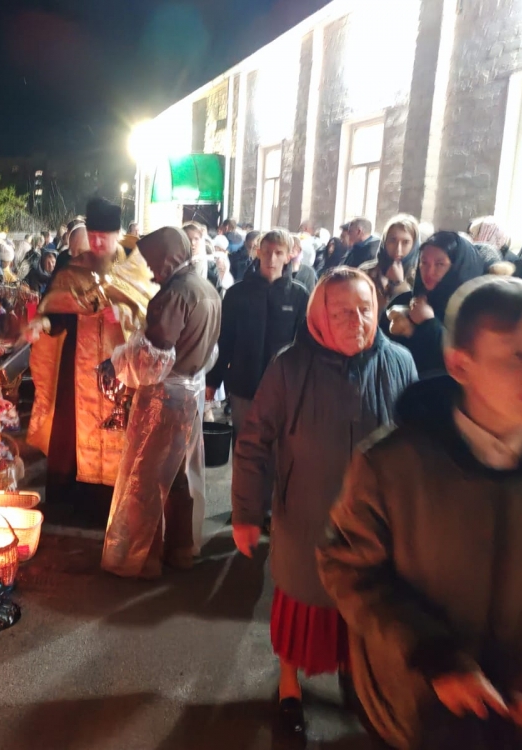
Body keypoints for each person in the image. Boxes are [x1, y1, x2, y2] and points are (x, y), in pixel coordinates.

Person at [319, 276, 522, 750]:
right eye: (517, 357)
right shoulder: (392, 464)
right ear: (460, 363)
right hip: (415, 702)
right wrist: (432, 654)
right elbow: (348, 568)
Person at [233, 268, 416, 735]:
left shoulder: (400, 362)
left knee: (363, 608)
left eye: (365, 309)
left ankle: (356, 678)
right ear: (319, 316)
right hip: (306, 517)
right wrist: (246, 512)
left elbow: (415, 445)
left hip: (375, 523)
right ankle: (289, 684)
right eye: (341, 313)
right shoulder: (289, 367)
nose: (356, 321)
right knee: (303, 606)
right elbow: (253, 442)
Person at [26, 198, 156, 525]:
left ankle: (115, 503)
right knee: (71, 433)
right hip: (78, 367)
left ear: (117, 234)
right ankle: (73, 502)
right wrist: (44, 323)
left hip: (121, 364)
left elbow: (150, 313)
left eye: (104, 237)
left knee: (120, 428)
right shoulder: (72, 269)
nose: (96, 244)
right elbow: (55, 313)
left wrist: (123, 313)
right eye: (93, 236)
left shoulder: (135, 266)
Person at [101, 227, 221, 578]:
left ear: (169, 258)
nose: (151, 270)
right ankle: (181, 548)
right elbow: (210, 351)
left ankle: (142, 558)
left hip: (164, 398)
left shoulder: (174, 295)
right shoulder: (206, 289)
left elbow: (150, 359)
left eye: (153, 262)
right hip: (191, 392)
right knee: (179, 476)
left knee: (146, 478)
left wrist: (114, 362)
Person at [206, 229, 311, 431]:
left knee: (279, 443)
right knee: (243, 440)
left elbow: (304, 346)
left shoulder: (299, 296)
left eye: (278, 253)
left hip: (283, 388)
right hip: (243, 384)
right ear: (258, 252)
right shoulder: (237, 294)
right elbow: (224, 340)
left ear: (288, 256)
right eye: (267, 252)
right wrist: (213, 380)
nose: (272, 258)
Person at [387, 231, 486, 376]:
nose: (429, 271)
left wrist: (429, 323)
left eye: (440, 264)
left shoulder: (477, 315)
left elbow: (465, 368)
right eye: (424, 262)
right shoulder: (405, 301)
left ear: (458, 267)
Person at [359, 214, 421, 319]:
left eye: (405, 242)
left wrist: (399, 284)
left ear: (414, 245)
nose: (398, 249)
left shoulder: (420, 278)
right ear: (384, 241)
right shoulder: (365, 272)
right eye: (392, 240)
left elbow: (413, 317)